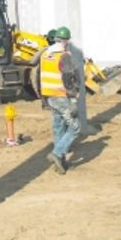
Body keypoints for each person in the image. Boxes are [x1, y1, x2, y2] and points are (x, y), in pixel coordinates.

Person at [39, 26, 80, 175]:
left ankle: (61, 163)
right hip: (60, 96)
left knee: (59, 129)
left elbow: (41, 77)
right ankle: (56, 154)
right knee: (75, 127)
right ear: (66, 41)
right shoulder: (64, 55)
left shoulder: (45, 54)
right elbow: (68, 78)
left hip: (49, 96)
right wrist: (74, 97)